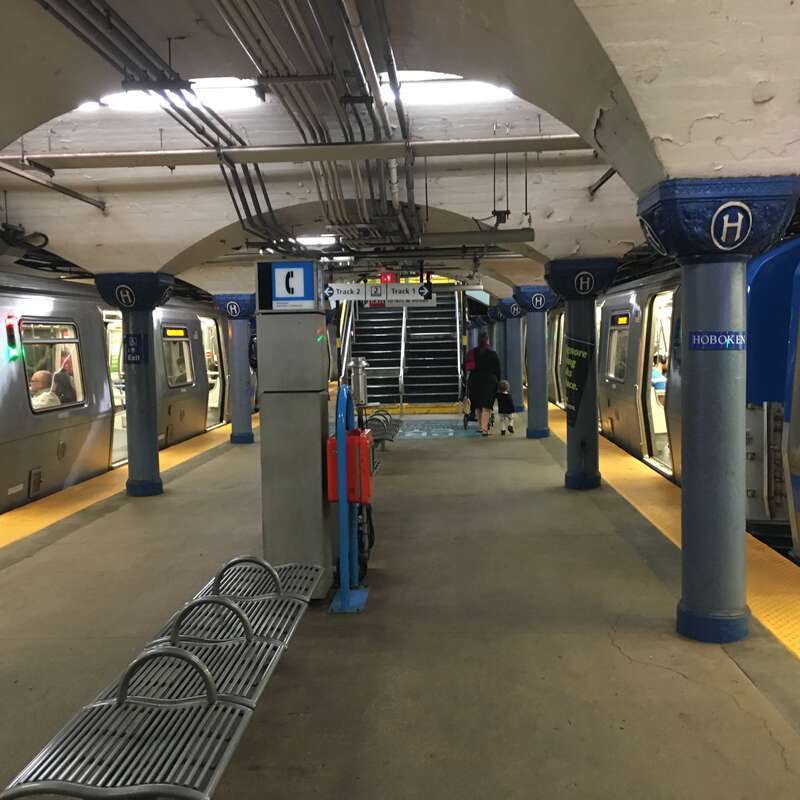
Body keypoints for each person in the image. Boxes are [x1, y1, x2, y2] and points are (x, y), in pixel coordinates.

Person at [468, 332, 501, 436]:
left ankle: (480, 427)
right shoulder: (492, 353)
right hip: (489, 380)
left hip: (475, 379)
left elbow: (467, 366)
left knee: (477, 404)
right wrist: (498, 381)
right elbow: (497, 369)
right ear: (487, 340)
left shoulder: (472, 352)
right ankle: (484, 429)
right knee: (486, 406)